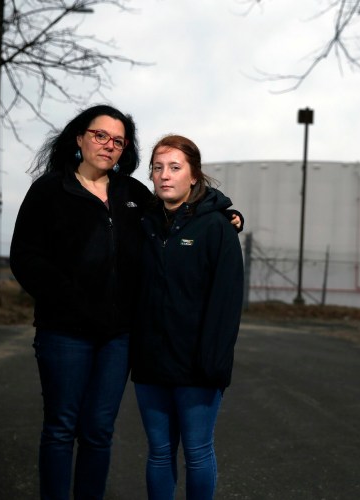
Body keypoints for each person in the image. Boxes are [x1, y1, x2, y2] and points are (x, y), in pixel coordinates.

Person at [10, 106, 241, 500]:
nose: (108, 145)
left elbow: (184, 208)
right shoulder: (49, 190)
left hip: (117, 338)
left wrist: (224, 210)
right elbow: (25, 258)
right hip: (65, 332)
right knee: (62, 427)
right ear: (80, 138)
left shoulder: (131, 194)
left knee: (99, 431)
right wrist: (70, 299)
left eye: (117, 140)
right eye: (100, 135)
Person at [131, 134, 245, 500]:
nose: (165, 175)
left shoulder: (217, 228)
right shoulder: (144, 224)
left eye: (175, 168)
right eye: (158, 168)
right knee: (160, 453)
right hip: (151, 365)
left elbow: (226, 304)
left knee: (197, 453)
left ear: (193, 175)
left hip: (198, 367)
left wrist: (214, 364)